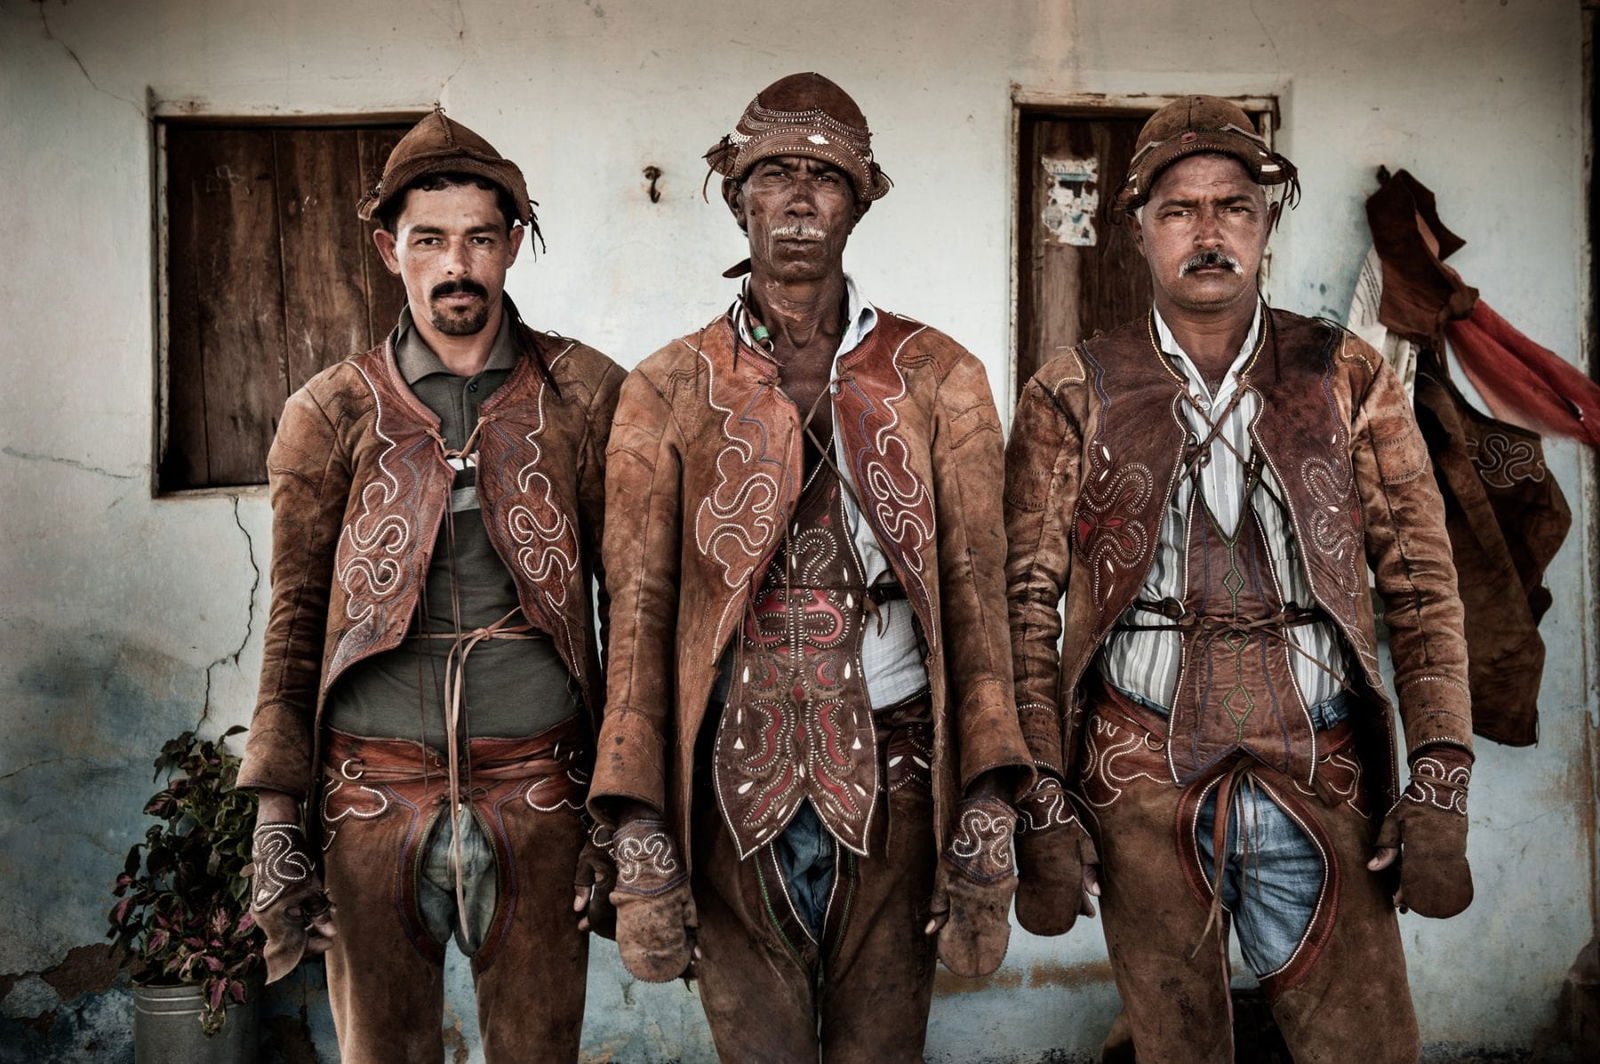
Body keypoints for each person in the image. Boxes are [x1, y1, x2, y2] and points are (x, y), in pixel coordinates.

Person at [1005, 95, 1475, 1062]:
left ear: (1265, 226)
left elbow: (1422, 586)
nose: (1209, 232)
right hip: (1138, 775)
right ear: (1138, 230)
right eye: (1181, 210)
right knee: (1176, 1045)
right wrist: (1041, 798)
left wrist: (1440, 771)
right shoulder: (1074, 387)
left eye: (1234, 208)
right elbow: (1024, 609)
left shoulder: (1343, 373)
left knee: (1366, 1047)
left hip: (1321, 763)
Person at [588, 72, 1034, 1063]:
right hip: (725, 785)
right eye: (772, 174)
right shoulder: (666, 386)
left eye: (823, 177)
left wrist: (990, 801)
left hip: (901, 771)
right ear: (735, 193)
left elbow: (978, 596)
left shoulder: (941, 376)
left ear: (860, 198)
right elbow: (637, 614)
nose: (796, 197)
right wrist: (637, 822)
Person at [235, 108, 623, 1063]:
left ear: (513, 247)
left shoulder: (586, 395)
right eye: (431, 240)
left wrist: (631, 806)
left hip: (542, 788)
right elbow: (292, 627)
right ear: (387, 249)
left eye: (481, 239)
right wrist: (274, 822)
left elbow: (640, 610)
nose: (458, 264)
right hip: (371, 796)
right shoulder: (329, 411)